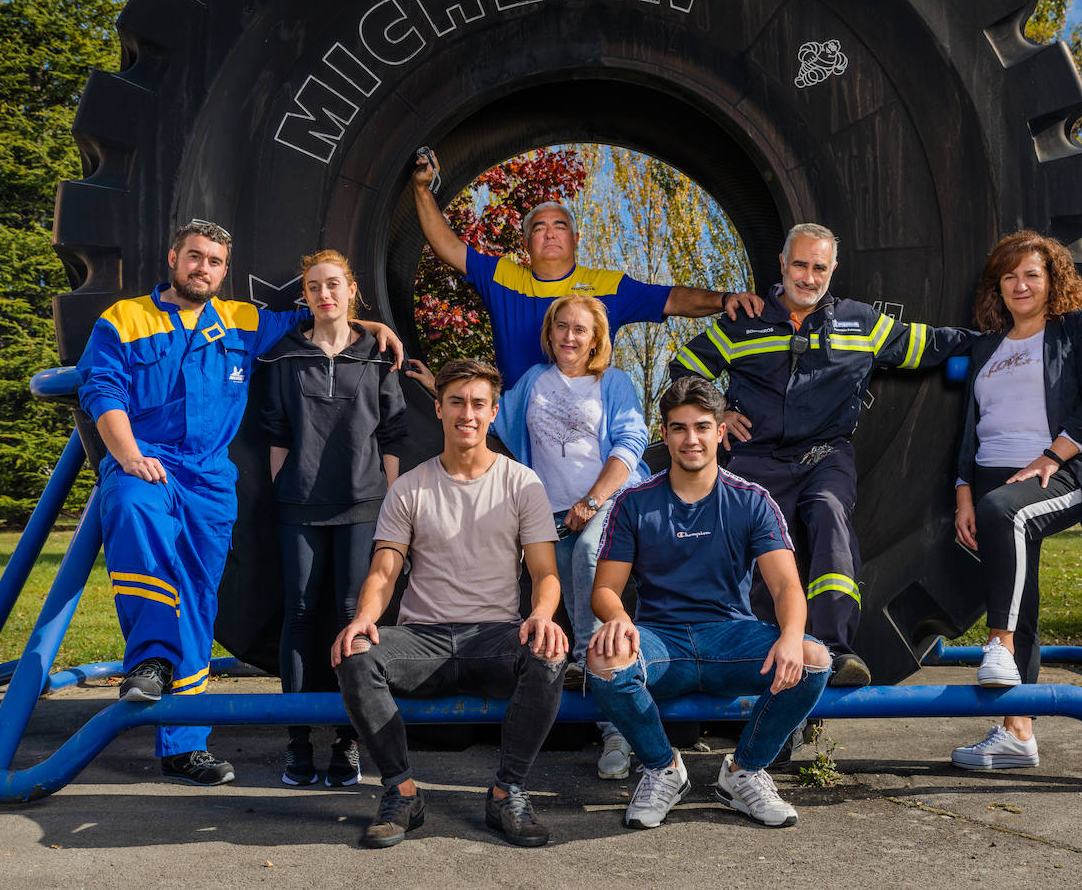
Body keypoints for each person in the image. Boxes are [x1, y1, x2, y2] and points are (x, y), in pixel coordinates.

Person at [75, 219, 403, 786]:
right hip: (147, 461)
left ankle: (184, 745)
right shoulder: (124, 319)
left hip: (209, 476)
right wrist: (126, 456)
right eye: (194, 257)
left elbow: (317, 318)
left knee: (200, 597)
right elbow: (100, 386)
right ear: (173, 257)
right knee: (134, 517)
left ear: (225, 271)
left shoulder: (241, 321)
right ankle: (151, 658)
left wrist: (370, 323)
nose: (203, 269)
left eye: (215, 262)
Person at [669, 222, 977, 686]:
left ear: (833, 269)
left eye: (819, 267)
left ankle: (833, 650)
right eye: (800, 264)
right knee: (758, 540)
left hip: (824, 457)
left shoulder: (862, 323)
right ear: (782, 264)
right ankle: (758, 653)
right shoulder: (743, 321)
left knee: (830, 515)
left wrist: (1005, 341)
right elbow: (684, 371)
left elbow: (930, 344)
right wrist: (721, 413)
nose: (808, 277)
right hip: (754, 458)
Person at [331, 359, 569, 849]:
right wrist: (363, 619)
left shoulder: (522, 483)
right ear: (438, 408)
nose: (467, 413)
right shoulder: (410, 487)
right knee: (356, 652)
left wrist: (541, 615)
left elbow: (546, 573)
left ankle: (508, 791)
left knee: (548, 653)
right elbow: (384, 571)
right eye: (456, 402)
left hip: (495, 636)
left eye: (478, 404)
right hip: (423, 640)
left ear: (493, 412)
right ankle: (402, 793)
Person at [409, 295, 648, 780]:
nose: (569, 336)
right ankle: (561, 711)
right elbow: (486, 411)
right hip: (553, 512)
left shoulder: (614, 382)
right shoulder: (534, 382)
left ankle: (612, 720)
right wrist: (437, 385)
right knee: (545, 592)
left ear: (596, 338)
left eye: (580, 329)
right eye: (561, 327)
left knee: (586, 562)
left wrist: (593, 502)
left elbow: (630, 443)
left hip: (606, 504)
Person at [586, 376, 832, 829]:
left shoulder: (752, 501)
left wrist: (792, 637)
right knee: (604, 661)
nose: (690, 439)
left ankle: (743, 773)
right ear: (665, 433)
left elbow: (785, 588)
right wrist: (619, 618)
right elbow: (604, 590)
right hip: (661, 642)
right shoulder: (633, 502)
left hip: (731, 638)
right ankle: (663, 770)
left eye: (701, 427)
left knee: (814, 659)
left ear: (720, 431)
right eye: (678, 428)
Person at [950, 230, 1082, 770]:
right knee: (1017, 584)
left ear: (1053, 281)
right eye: (1009, 276)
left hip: (1062, 469)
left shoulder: (1079, 327)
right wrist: (962, 494)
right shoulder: (986, 344)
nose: (1019, 285)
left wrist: (1051, 457)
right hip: (991, 476)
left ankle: (996, 646)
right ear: (996, 286)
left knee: (1007, 512)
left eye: (1031, 274)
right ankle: (1017, 733)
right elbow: (968, 430)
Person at [411, 152, 764, 388]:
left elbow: (672, 298)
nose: (549, 232)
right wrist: (422, 189)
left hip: (583, 433)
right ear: (526, 243)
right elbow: (448, 246)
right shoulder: (503, 277)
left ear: (576, 239)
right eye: (539, 227)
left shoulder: (606, 286)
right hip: (516, 428)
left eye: (559, 225)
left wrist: (725, 299)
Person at [258, 250, 407, 787]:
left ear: (352, 290)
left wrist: (389, 500)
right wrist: (285, 485)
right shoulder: (284, 355)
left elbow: (391, 433)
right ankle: (297, 745)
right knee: (298, 614)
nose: (325, 294)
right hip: (298, 504)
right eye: (314, 287)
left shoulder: (376, 354)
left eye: (334, 285)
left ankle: (347, 744)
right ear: (306, 295)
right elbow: (275, 431)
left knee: (352, 617)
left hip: (363, 503)